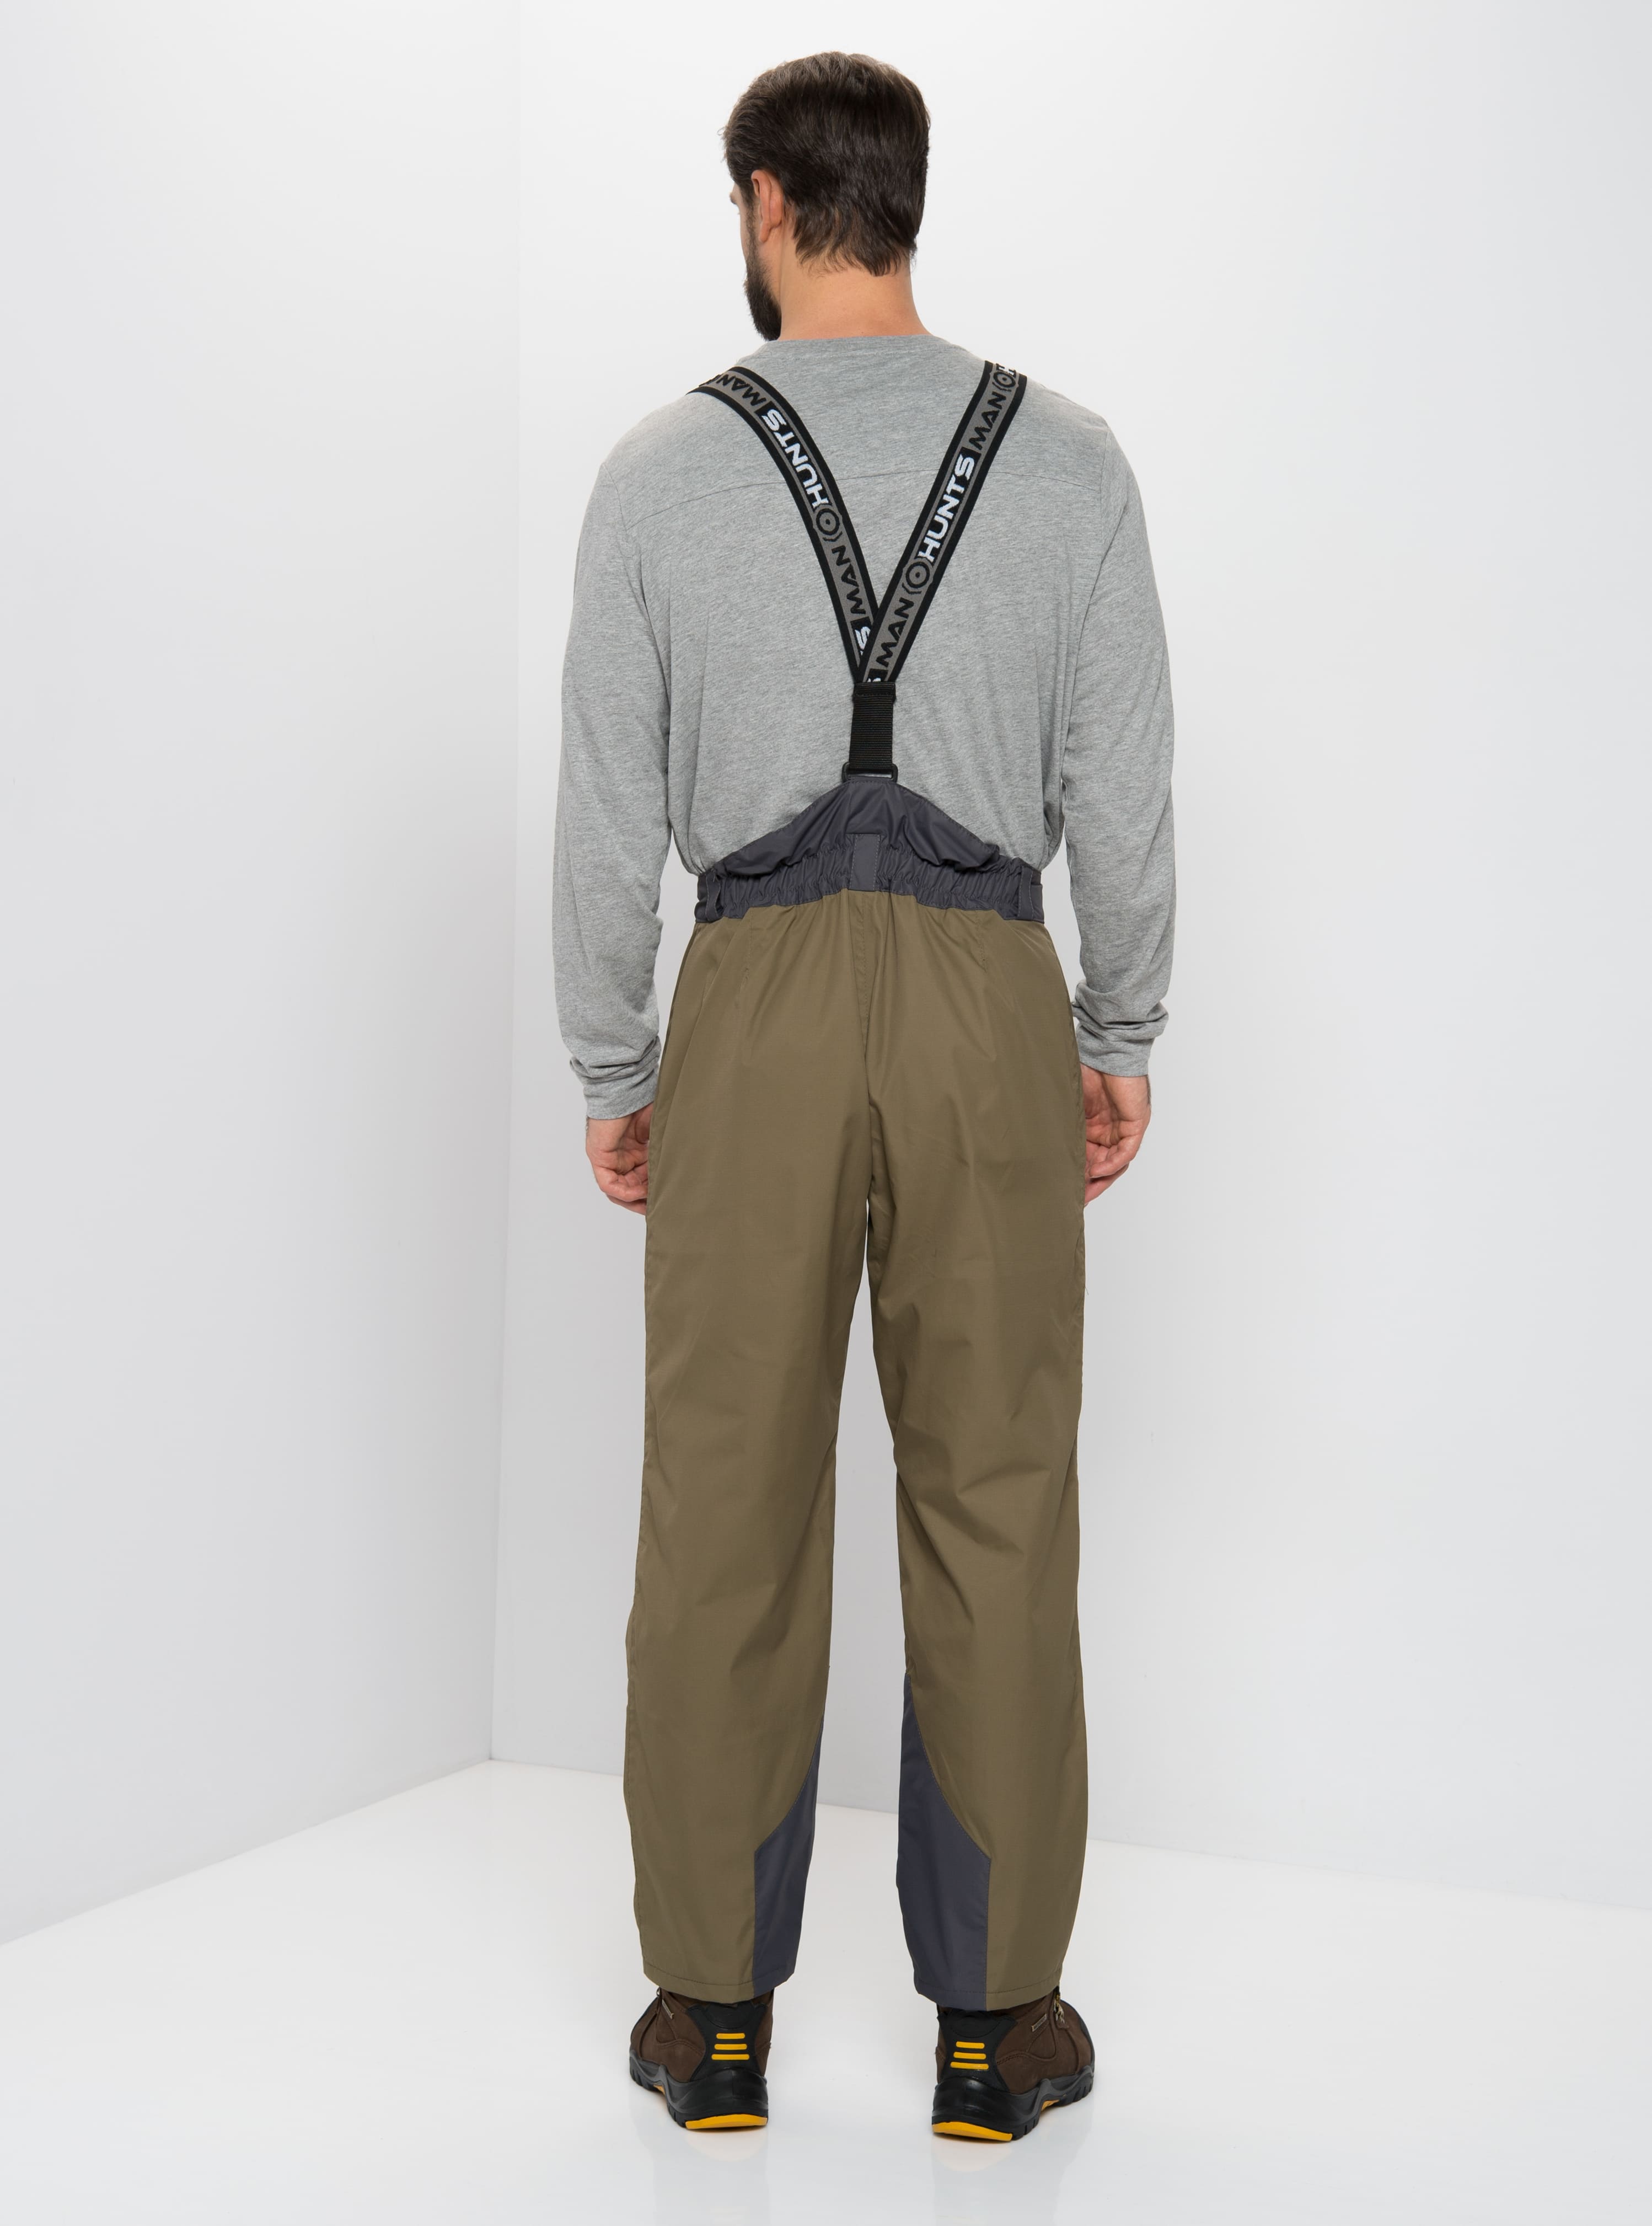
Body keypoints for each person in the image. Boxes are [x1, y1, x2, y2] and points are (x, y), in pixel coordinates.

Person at [554, 50, 1174, 2142]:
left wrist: (617, 1061)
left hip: (751, 1000)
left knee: (722, 1495)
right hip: (992, 992)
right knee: (996, 1492)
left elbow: (605, 811)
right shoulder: (1068, 462)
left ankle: (709, 2016)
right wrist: (1116, 1029)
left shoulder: (660, 470)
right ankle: (996, 2032)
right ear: (904, 200)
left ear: (763, 202)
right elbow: (1122, 786)